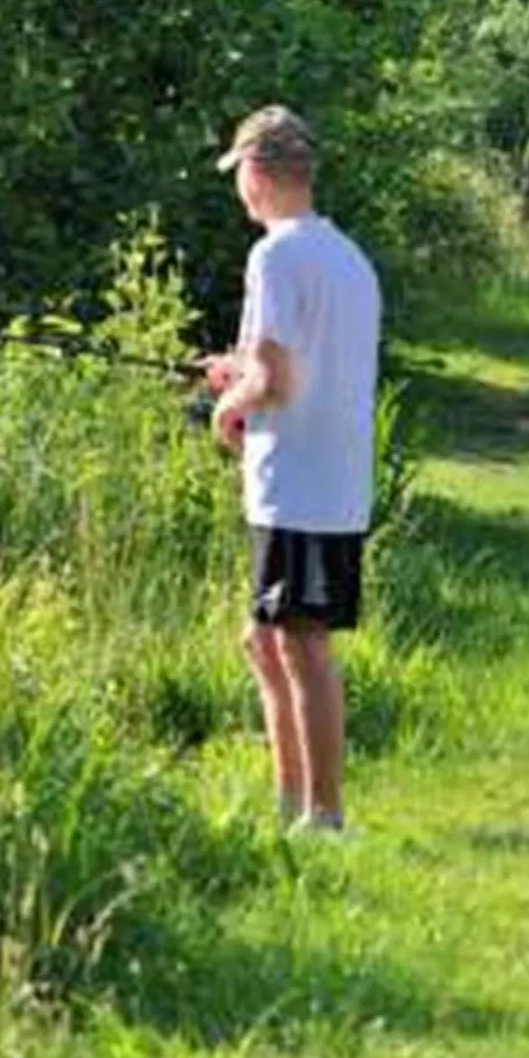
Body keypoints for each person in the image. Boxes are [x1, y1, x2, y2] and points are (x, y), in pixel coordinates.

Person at [204, 106, 383, 836]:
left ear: (260, 171)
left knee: (303, 643)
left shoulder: (274, 255)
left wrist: (226, 409)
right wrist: (233, 371)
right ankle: (289, 799)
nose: (238, 189)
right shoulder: (345, 255)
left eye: (240, 173)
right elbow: (285, 362)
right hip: (326, 477)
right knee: (265, 637)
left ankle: (325, 813)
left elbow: (274, 382)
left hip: (301, 483)